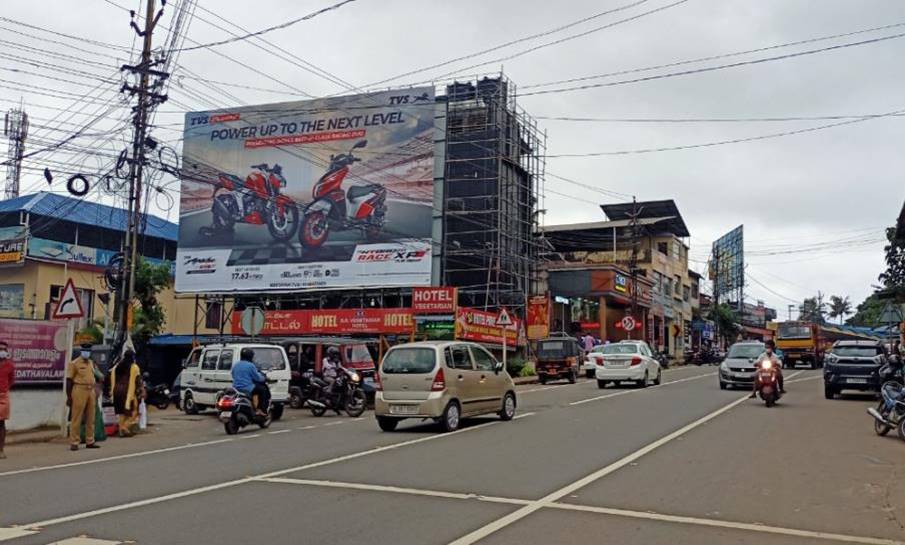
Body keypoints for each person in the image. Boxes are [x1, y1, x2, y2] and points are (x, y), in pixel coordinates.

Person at [66, 343, 102, 451]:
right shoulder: (74, 363)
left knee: (91, 417)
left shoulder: (91, 363)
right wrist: (69, 397)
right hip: (79, 389)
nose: (87, 353)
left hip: (90, 390)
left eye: (88, 351)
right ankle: (74, 442)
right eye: (85, 351)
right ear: (82, 351)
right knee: (77, 417)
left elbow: (96, 376)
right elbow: (69, 380)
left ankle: (90, 441)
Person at [110, 350, 143, 437]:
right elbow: (138, 381)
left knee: (122, 413)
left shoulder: (116, 367)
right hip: (127, 392)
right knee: (133, 411)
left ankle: (122, 431)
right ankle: (124, 427)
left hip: (116, 391)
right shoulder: (134, 367)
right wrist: (141, 391)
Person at [231, 348, 269, 416]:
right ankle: (260, 409)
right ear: (250, 356)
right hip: (248, 388)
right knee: (263, 389)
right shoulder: (251, 365)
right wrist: (264, 378)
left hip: (236, 388)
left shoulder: (235, 365)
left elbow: (233, 375)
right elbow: (258, 378)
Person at [0, 341, 14, 459]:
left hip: (3, 396)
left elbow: (11, 380)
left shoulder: (10, 365)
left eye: (4, 350)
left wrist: (4, 390)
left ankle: (1, 449)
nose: (2, 352)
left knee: (1, 423)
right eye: (0, 349)